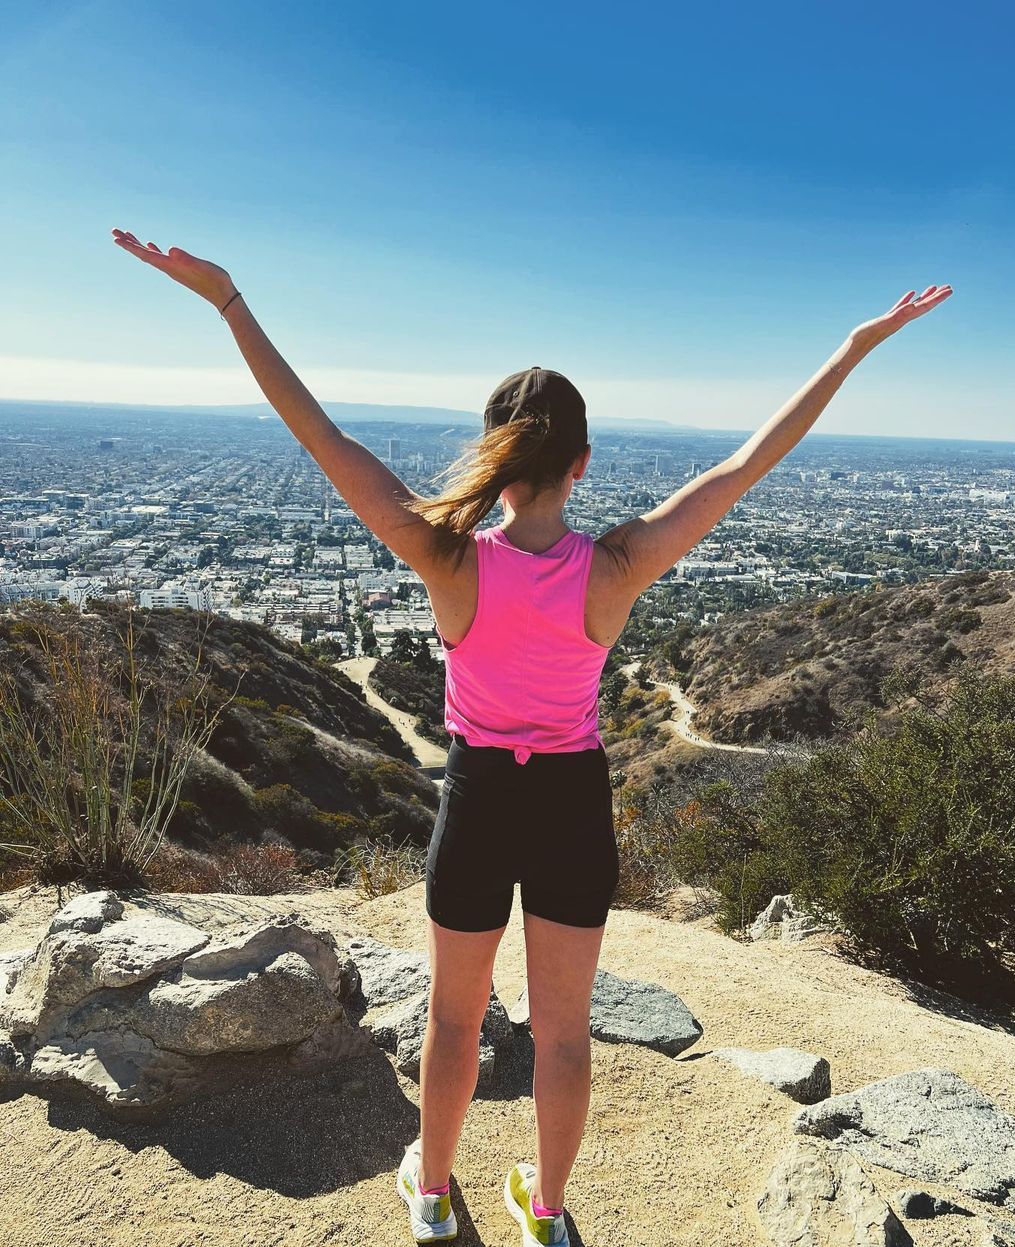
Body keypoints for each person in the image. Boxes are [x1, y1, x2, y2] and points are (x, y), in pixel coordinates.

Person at [110, 228, 951, 1245]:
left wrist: (231, 303)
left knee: (454, 1019)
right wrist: (854, 347)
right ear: (581, 463)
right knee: (562, 1032)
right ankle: (546, 1212)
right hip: (571, 802)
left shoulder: (448, 557)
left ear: (498, 456)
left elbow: (323, 439)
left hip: (478, 798)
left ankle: (432, 1195)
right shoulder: (619, 564)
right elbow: (748, 462)